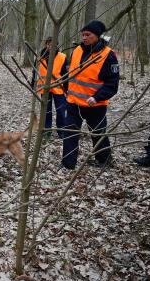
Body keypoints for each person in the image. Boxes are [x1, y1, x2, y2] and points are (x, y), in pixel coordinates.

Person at [61, 20, 120, 170]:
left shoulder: (108, 55)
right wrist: (65, 88)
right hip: (73, 102)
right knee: (69, 133)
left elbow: (112, 84)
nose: (84, 38)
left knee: (98, 134)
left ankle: (104, 160)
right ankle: (68, 164)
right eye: (83, 35)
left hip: (95, 105)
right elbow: (70, 74)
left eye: (88, 35)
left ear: (97, 36)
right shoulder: (77, 51)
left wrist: (97, 97)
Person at [37, 37, 68, 139]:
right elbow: (35, 72)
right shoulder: (40, 57)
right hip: (44, 88)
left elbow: (66, 74)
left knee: (60, 111)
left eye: (54, 44)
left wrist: (66, 89)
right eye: (49, 44)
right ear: (46, 45)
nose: (51, 46)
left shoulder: (63, 57)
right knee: (46, 111)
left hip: (58, 88)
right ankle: (46, 132)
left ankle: (62, 131)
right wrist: (33, 83)